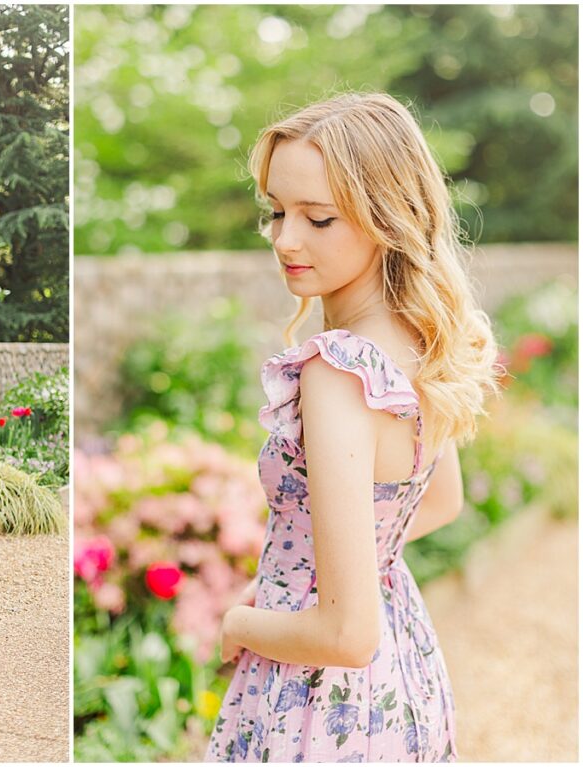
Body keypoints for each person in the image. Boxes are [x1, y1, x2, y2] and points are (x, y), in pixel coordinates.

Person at [206, 93, 502, 761]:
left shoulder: (338, 372)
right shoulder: (418, 342)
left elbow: (344, 633)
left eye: (319, 218)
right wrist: (334, 574)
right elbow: (441, 500)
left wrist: (241, 619)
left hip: (323, 701)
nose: (285, 239)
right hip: (403, 676)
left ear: (388, 218)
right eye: (277, 211)